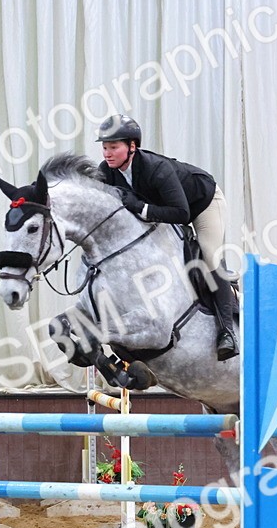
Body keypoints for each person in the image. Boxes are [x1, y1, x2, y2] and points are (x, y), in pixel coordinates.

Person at [95, 113, 238, 360]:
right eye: (105, 147)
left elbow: (182, 213)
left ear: (132, 147)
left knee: (210, 255)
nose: (107, 153)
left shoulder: (155, 169)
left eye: (113, 147)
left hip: (202, 203)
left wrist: (141, 208)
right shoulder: (106, 172)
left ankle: (227, 332)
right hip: (165, 209)